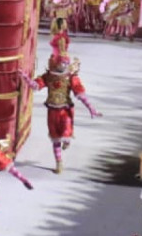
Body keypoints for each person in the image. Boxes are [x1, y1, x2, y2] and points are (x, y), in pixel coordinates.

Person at [21, 35, 101, 173]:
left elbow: (80, 94)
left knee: (66, 133)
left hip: (65, 110)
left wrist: (91, 109)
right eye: (61, 62)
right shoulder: (48, 76)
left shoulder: (71, 78)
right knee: (55, 137)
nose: (63, 65)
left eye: (65, 63)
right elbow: (36, 86)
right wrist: (25, 78)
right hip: (52, 110)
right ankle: (59, 162)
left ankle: (68, 141)